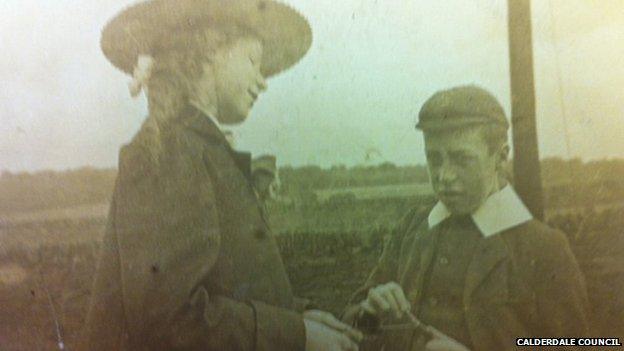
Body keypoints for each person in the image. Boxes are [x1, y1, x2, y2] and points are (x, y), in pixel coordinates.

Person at [80, 1, 361, 350]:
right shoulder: (169, 151)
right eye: (253, 62)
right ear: (208, 54)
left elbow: (229, 286)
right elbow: (170, 321)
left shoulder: (198, 149)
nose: (263, 82)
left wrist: (300, 318)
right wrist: (296, 335)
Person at [343, 85, 591, 350]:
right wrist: (369, 311)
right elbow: (349, 321)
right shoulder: (413, 227)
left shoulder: (544, 247)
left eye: (462, 159)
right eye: (434, 159)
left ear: (501, 157)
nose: (444, 176)